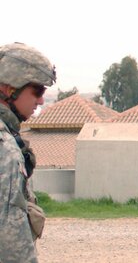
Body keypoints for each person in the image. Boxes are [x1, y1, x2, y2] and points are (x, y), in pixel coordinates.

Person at [1, 43, 55, 263]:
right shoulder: (5, 147)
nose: (41, 100)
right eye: (37, 91)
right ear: (9, 89)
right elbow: (9, 235)